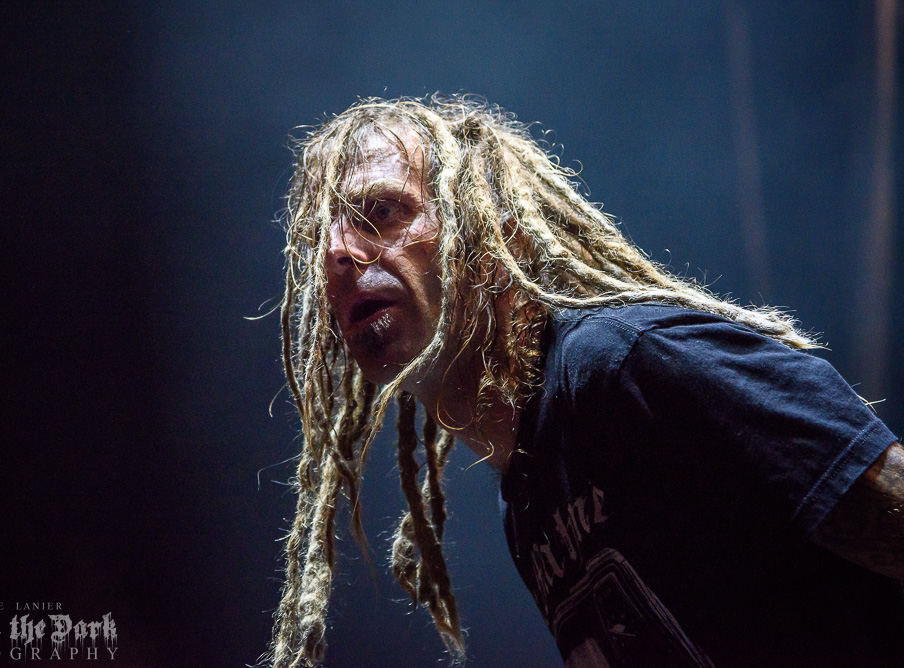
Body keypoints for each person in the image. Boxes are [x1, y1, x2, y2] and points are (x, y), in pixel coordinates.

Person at [267, 96, 904, 667]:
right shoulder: (527, 497)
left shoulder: (627, 363)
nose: (337, 254)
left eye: (379, 210)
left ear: (491, 235)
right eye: (319, 237)